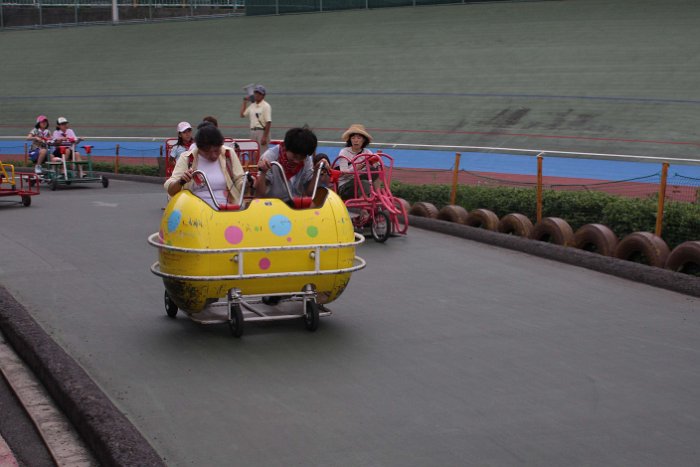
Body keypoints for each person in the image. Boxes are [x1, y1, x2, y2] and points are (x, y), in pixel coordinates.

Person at [165, 123, 245, 209]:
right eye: (207, 152)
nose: (213, 155)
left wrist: (247, 184)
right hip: (196, 211)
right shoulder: (187, 158)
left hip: (227, 209)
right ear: (198, 148)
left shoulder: (228, 154)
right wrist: (181, 181)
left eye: (216, 150)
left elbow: (240, 180)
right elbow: (170, 190)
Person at [254, 127, 319, 205]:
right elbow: (259, 195)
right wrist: (263, 173)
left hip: (295, 203)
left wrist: (316, 172)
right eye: (295, 156)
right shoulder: (270, 157)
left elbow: (310, 193)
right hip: (273, 204)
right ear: (285, 147)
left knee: (314, 206)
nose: (297, 161)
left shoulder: (307, 159)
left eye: (302, 157)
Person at [335, 124, 376, 200]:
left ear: (364, 140)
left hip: (360, 182)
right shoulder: (344, 152)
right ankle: (364, 202)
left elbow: (377, 168)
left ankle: (377, 194)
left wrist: (376, 161)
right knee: (364, 182)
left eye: (359, 138)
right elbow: (343, 173)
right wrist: (355, 168)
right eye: (353, 138)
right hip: (345, 186)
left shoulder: (367, 152)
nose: (355, 140)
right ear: (350, 140)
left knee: (374, 170)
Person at [240, 84, 271, 154]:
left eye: (259, 93)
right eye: (256, 93)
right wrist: (244, 102)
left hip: (262, 132)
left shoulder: (266, 106)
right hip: (252, 132)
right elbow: (242, 115)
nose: (257, 95)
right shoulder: (252, 106)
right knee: (252, 154)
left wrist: (264, 137)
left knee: (262, 153)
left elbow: (268, 122)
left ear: (263, 95)